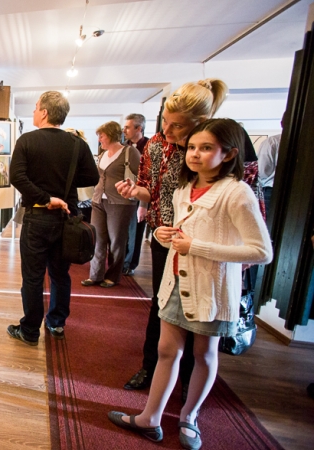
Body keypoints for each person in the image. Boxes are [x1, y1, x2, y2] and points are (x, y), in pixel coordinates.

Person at [108, 118, 272, 449]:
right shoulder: (184, 189)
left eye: (206, 148)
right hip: (174, 283)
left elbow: (260, 251)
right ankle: (150, 417)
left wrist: (195, 246)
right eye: (192, 147)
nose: (195, 154)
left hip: (211, 288)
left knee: (204, 354)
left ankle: (189, 417)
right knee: (167, 350)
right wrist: (161, 234)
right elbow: (180, 235)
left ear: (228, 154)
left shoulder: (237, 192)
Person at [116, 79, 229, 396]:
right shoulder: (156, 145)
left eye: (176, 125)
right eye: (164, 120)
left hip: (207, 248)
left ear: (200, 124)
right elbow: (148, 191)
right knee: (162, 306)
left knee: (200, 315)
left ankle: (189, 384)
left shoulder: (220, 145)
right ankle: (151, 369)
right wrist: (133, 192)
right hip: (165, 240)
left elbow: (238, 200)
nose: (166, 129)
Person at [7, 91, 98, 345]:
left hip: (37, 218)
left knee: (33, 277)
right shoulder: (78, 144)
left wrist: (45, 198)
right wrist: (64, 186)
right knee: (60, 274)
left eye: (36, 107)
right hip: (65, 219)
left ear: (45, 112)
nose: (34, 111)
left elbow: (17, 178)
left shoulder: (27, 140)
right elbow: (92, 178)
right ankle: (56, 324)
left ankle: (30, 331)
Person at [81, 121, 140, 288]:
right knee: (98, 239)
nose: (99, 139)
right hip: (98, 200)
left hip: (121, 202)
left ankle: (113, 276)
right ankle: (95, 275)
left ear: (112, 135)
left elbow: (142, 177)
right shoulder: (102, 154)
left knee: (116, 240)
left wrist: (142, 204)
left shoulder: (130, 152)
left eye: (102, 135)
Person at [122, 114, 150, 276]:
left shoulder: (149, 147)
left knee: (136, 231)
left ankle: (130, 263)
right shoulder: (124, 146)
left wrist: (144, 204)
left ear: (139, 128)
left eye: (128, 127)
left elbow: (147, 177)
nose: (124, 130)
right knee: (124, 230)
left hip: (141, 196)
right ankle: (122, 260)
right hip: (125, 194)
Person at [65, 128, 95, 223]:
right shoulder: (85, 151)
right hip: (78, 196)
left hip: (84, 197)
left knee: (82, 224)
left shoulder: (83, 152)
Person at [258, 117, 283, 219]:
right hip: (299, 192)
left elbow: (262, 171)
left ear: (282, 123)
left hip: (271, 191)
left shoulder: (272, 142)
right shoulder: (307, 144)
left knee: (268, 226)